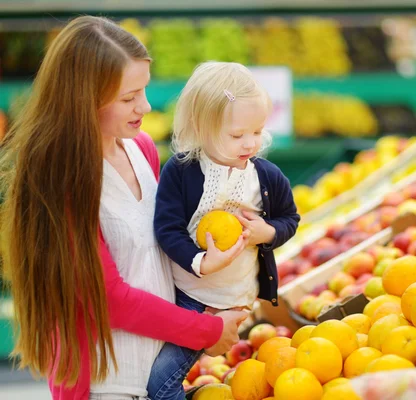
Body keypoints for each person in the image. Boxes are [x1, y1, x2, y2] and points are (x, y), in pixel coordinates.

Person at [0, 16, 246, 400]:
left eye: (143, 91)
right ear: (84, 98)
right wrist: (207, 331)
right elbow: (107, 299)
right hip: (107, 383)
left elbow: (160, 247)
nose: (144, 106)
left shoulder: (141, 148)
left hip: (161, 373)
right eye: (128, 98)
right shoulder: (59, 177)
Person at [149, 61, 300, 399]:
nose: (250, 143)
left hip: (228, 301)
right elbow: (167, 226)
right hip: (180, 292)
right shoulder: (182, 170)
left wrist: (268, 233)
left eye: (258, 131)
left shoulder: (266, 176)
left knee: (160, 383)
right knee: (154, 375)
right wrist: (201, 261)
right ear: (201, 127)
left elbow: (290, 219)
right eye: (237, 135)